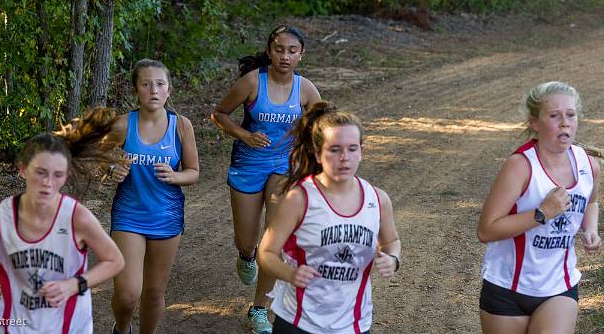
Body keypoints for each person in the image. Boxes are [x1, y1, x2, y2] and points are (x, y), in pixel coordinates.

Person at [0, 109, 126, 334]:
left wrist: (75, 284)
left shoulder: (76, 216)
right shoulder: (1, 217)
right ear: (23, 170)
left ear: (65, 177)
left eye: (57, 175)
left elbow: (115, 260)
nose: (48, 182)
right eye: (40, 172)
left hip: (69, 326)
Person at [211, 25, 321, 333]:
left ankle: (258, 309)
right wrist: (245, 135)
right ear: (269, 51)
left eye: (292, 51)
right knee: (247, 241)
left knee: (275, 240)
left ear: (301, 55)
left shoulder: (306, 89)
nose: (285, 56)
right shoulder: (251, 83)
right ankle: (246, 255)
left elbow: (320, 128)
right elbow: (219, 115)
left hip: (283, 167)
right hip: (247, 166)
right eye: (279, 49)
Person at [258, 101, 401, 334]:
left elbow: (392, 241)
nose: (344, 158)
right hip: (299, 321)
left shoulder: (378, 199)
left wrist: (393, 259)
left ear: (362, 152)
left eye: (352, 149)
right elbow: (266, 253)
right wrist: (290, 274)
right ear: (317, 153)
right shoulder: (300, 199)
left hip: (353, 323)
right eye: (335, 149)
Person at [477, 81, 604, 334]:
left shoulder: (589, 164)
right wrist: (542, 214)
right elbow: (486, 231)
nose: (565, 123)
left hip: (559, 287)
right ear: (535, 123)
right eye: (554, 116)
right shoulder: (520, 166)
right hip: (507, 288)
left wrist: (591, 228)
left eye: (570, 115)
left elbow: (591, 200)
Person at [107, 59, 200, 334]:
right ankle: (122, 328)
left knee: (153, 293)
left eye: (160, 84)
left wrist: (176, 176)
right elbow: (100, 158)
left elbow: (194, 171)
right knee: (127, 294)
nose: (153, 90)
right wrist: (112, 168)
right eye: (146, 84)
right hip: (129, 214)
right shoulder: (123, 125)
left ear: (169, 90)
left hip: (166, 216)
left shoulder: (181, 126)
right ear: (136, 89)